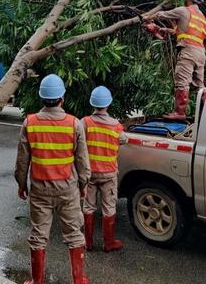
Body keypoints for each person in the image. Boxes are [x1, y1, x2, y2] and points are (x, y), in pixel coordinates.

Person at [15, 74, 91, 284]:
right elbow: (83, 162)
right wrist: (83, 185)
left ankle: (37, 281)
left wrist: (22, 185)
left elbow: (22, 162)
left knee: (38, 236)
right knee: (74, 234)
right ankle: (79, 279)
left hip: (40, 190)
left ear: (41, 98)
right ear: (62, 98)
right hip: (68, 189)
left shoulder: (29, 123)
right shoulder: (74, 124)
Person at [143, 0, 206, 119]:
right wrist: (167, 30)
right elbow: (189, 32)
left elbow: (162, 14)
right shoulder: (202, 17)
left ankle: (180, 113)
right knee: (199, 86)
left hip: (188, 52)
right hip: (200, 53)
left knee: (182, 82)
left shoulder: (184, 10)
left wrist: (148, 17)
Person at [82, 86, 127, 252]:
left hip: (90, 173)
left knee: (88, 207)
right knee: (109, 207)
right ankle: (108, 243)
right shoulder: (116, 126)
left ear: (93, 104)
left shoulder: (85, 122)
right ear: (108, 104)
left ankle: (88, 242)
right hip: (108, 173)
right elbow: (124, 140)